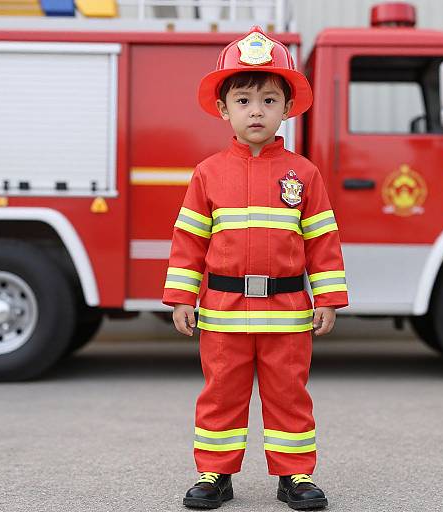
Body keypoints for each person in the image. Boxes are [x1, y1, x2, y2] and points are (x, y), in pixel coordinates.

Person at [162, 26, 348, 510]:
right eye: (243, 100)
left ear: (287, 108)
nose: (257, 111)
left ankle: (296, 477)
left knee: (289, 396)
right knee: (221, 395)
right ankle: (214, 474)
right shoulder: (207, 173)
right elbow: (189, 240)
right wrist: (182, 296)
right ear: (224, 110)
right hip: (223, 312)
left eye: (269, 100)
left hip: (287, 314)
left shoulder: (304, 174)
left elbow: (322, 242)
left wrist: (327, 298)